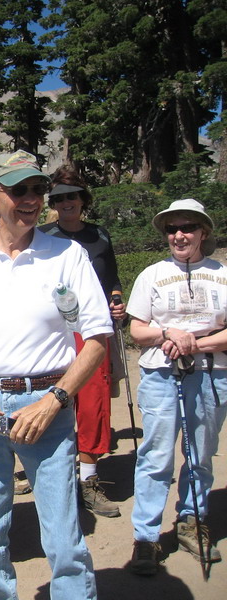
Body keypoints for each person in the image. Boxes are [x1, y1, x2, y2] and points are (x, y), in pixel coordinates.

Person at [0, 150, 112, 599]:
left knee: (63, 535)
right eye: (19, 190)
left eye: (38, 189)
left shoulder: (68, 255)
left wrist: (56, 401)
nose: (32, 199)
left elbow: (97, 340)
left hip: (47, 405)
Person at [127, 198, 227, 575]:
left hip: (212, 372)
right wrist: (169, 332)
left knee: (201, 453)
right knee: (156, 456)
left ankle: (191, 520)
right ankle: (146, 537)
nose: (179, 235)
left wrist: (194, 343)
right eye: (172, 229)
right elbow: (138, 330)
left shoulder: (222, 273)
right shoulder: (151, 274)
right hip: (160, 374)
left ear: (204, 232)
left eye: (187, 227)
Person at [39, 167, 126, 517]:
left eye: (71, 196)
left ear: (82, 199)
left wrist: (117, 299)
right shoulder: (43, 235)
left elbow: (112, 278)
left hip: (92, 329)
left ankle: (88, 478)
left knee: (93, 401)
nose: (65, 203)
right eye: (58, 198)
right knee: (49, 397)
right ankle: (47, 468)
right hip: (54, 331)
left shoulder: (99, 236)